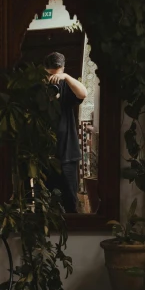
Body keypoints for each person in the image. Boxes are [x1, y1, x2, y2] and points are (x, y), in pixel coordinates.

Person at [44, 51, 87, 213]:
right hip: (46, 155)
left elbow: (83, 93)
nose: (53, 79)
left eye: (57, 74)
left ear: (62, 69)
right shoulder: (40, 87)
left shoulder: (66, 84)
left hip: (68, 153)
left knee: (70, 200)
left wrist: (66, 77)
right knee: (47, 202)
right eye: (50, 75)